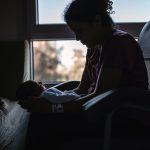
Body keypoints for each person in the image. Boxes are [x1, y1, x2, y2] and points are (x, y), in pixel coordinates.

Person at [18, 0, 148, 113]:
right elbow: (82, 88)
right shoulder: (94, 48)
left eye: (79, 31)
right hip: (96, 106)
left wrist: (54, 108)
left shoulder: (117, 43)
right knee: (36, 114)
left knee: (38, 123)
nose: (77, 38)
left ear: (97, 21)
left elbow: (100, 96)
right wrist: (45, 97)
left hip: (119, 112)